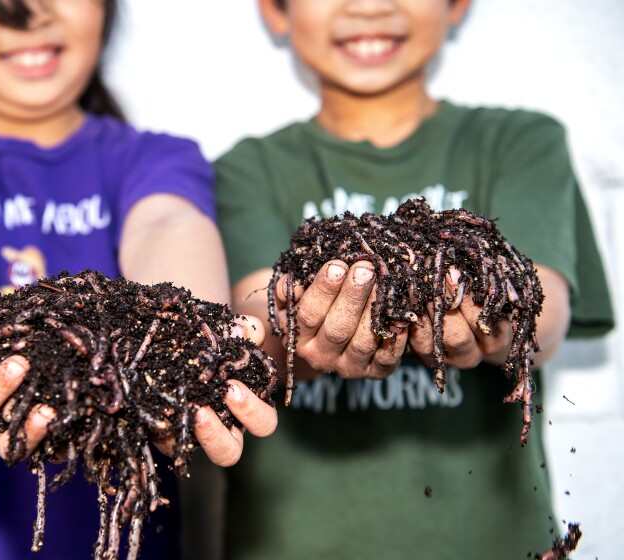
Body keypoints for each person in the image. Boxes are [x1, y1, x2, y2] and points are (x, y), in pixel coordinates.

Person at [0, 1, 277, 558]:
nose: (28, 14)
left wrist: (185, 347)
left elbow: (168, 226)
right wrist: (13, 345)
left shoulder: (158, 157)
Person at [213, 0, 615, 558]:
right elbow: (258, 324)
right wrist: (299, 333)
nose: (369, 6)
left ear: (457, 6)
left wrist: (498, 320)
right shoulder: (246, 169)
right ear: (275, 12)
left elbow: (542, 316)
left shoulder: (519, 142)